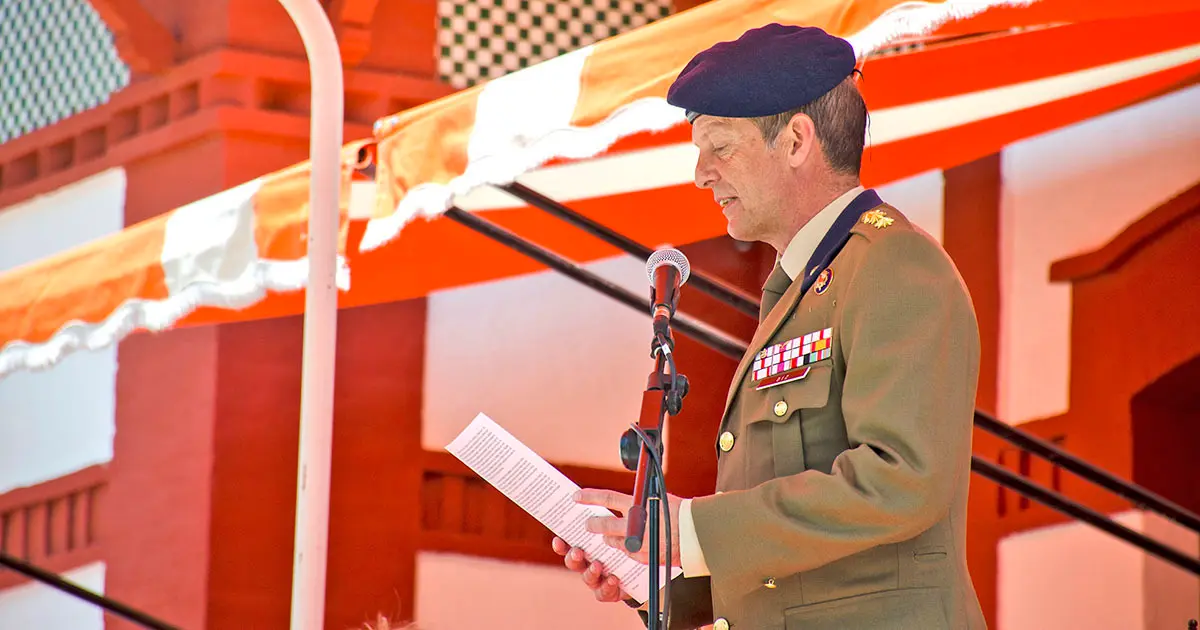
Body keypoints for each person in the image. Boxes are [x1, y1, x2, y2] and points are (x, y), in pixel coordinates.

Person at [551, 23, 987, 630]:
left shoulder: (893, 264)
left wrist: (692, 530)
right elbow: (791, 554)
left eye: (721, 148)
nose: (701, 175)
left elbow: (902, 478)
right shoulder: (801, 290)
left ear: (796, 141)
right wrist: (653, 574)